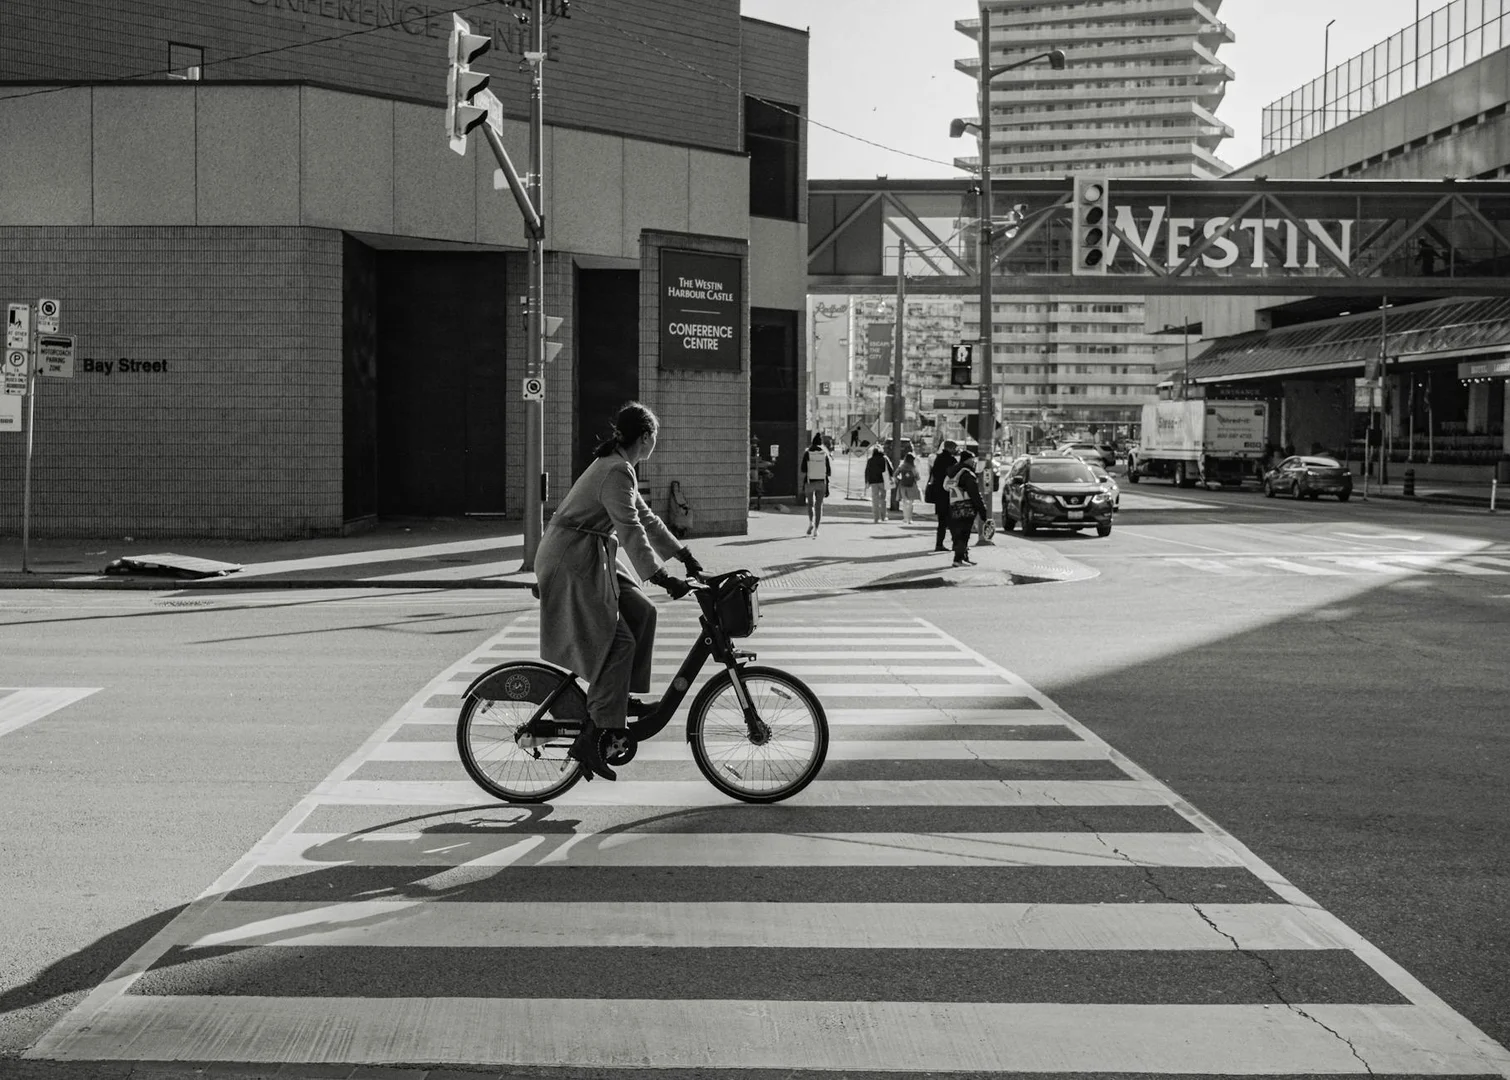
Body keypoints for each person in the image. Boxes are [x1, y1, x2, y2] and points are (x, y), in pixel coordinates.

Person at [534, 401, 699, 782]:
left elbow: (648, 519)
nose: (655, 444)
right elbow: (630, 531)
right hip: (571, 559)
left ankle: (618, 697)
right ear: (646, 438)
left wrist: (684, 555)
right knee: (619, 641)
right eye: (655, 438)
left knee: (643, 610)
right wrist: (661, 576)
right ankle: (594, 735)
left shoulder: (619, 468)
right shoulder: (616, 472)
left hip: (588, 552)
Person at [945, 448, 989, 567]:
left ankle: (964, 557)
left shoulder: (954, 471)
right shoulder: (967, 475)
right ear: (967, 461)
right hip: (966, 508)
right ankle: (958, 559)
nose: (974, 462)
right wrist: (982, 511)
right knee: (964, 534)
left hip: (954, 506)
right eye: (972, 460)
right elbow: (974, 495)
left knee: (958, 534)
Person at [926, 439, 958, 552]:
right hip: (948, 494)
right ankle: (956, 544)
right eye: (954, 448)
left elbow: (933, 474)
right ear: (949, 448)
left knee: (942, 521)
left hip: (939, 494)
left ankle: (939, 544)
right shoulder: (951, 460)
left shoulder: (938, 459)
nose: (955, 450)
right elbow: (954, 476)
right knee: (952, 521)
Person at [799, 432, 832, 537]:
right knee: (819, 506)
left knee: (810, 504)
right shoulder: (823, 453)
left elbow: (803, 469)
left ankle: (810, 523)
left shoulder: (807, 453)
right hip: (821, 482)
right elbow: (829, 472)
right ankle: (816, 530)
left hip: (809, 482)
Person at [863, 443, 894, 523]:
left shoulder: (870, 460)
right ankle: (883, 516)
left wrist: (867, 481)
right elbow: (891, 469)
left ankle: (876, 518)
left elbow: (867, 471)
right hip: (883, 481)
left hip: (873, 482)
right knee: (883, 499)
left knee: (875, 500)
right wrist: (891, 477)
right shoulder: (884, 458)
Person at [895, 451, 922, 524]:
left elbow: (895, 474)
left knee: (905, 502)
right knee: (911, 503)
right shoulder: (913, 468)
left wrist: (899, 479)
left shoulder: (902, 466)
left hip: (903, 485)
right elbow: (918, 477)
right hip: (912, 485)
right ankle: (910, 518)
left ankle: (905, 518)